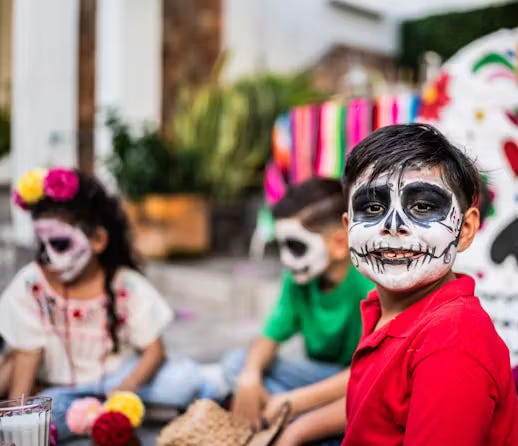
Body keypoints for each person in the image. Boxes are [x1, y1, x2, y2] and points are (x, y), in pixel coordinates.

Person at [291, 124, 518, 445]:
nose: (393, 225)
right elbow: (369, 410)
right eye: (372, 208)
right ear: (348, 230)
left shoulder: (452, 342)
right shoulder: (383, 307)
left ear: (466, 229)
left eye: (423, 207)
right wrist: (293, 432)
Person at [0, 167, 203, 441]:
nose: (49, 256)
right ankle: (95, 418)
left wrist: (127, 387)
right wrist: (18, 424)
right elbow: (27, 355)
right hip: (63, 389)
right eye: (42, 244)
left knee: (184, 383)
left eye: (59, 243)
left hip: (119, 377)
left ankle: (101, 415)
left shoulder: (125, 285)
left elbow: (155, 351)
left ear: (98, 240)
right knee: (45, 413)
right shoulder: (31, 284)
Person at [221, 177, 374, 444]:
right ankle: (310, 423)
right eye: (281, 247)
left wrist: (295, 401)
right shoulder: (298, 280)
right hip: (321, 380)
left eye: (295, 246)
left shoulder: (368, 283)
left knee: (371, 401)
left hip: (364, 385)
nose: (284, 259)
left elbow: (371, 372)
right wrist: (249, 376)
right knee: (237, 363)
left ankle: (301, 422)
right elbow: (269, 337)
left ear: (339, 244)